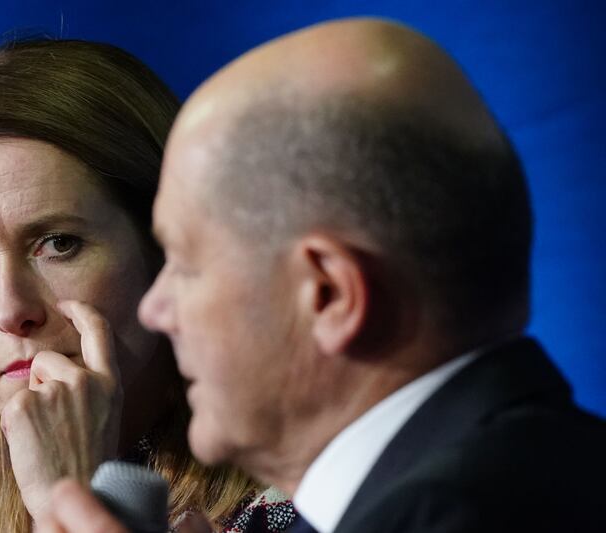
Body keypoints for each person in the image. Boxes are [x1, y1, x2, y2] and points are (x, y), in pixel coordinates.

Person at [38, 17, 606, 533]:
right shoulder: (554, 466)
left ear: (329, 295)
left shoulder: (455, 517)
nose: (154, 310)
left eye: (186, 265)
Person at [0, 39, 295, 533]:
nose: (11, 310)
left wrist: (66, 504)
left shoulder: (309, 508)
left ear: (169, 248)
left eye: (59, 243)